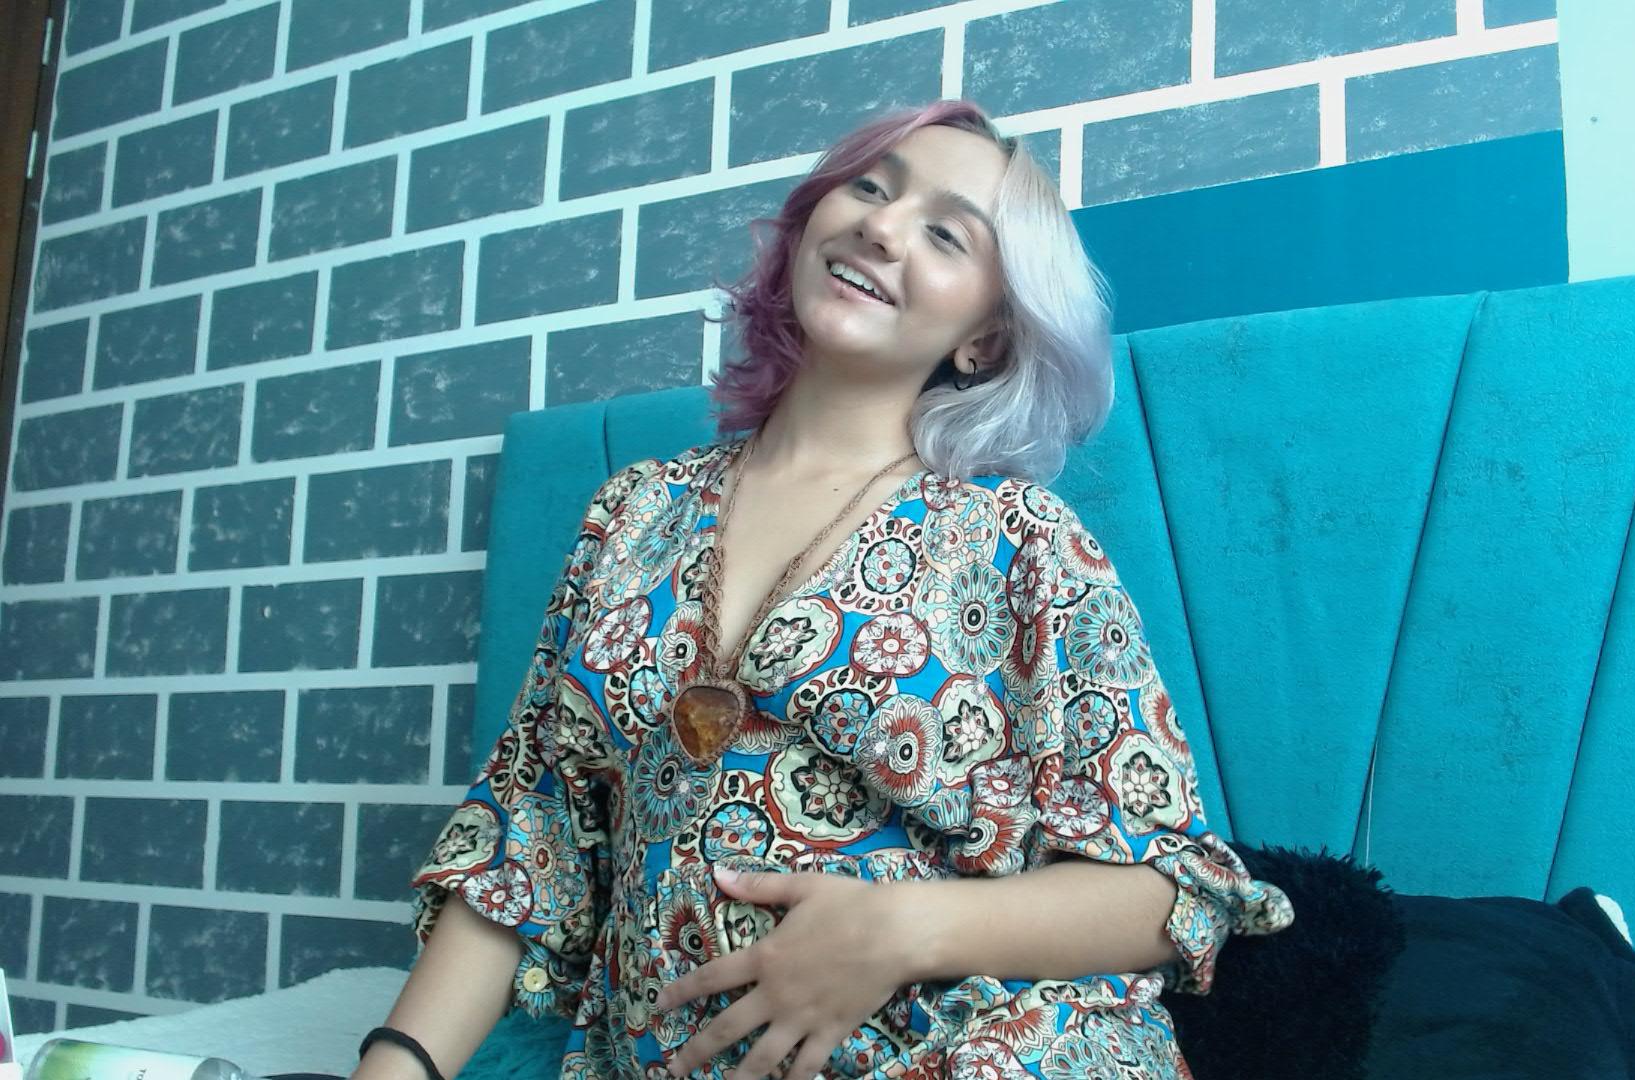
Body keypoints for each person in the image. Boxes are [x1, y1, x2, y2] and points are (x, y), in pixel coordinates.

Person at [356, 99, 1296, 1080]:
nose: (882, 228)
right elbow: (525, 840)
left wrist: (902, 929)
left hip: (985, 1050)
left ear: (983, 339)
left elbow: (1171, 891)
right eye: (869, 188)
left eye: (946, 234)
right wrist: (396, 1065)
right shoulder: (630, 514)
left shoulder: (1019, 539)